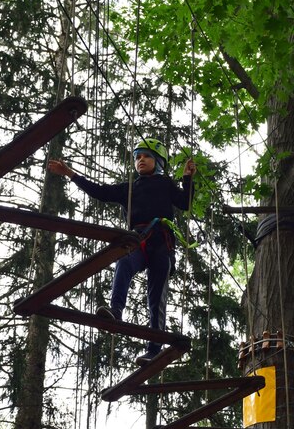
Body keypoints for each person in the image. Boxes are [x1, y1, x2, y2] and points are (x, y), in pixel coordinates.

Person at [48, 138, 196, 365]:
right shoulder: (129, 188)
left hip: (161, 241)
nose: (140, 161)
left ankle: (153, 349)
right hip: (139, 239)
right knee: (124, 263)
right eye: (137, 157)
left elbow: (185, 203)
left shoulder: (165, 184)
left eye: (145, 156)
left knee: (156, 296)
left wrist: (187, 179)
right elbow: (99, 191)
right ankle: (116, 310)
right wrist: (70, 173)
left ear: (157, 161)